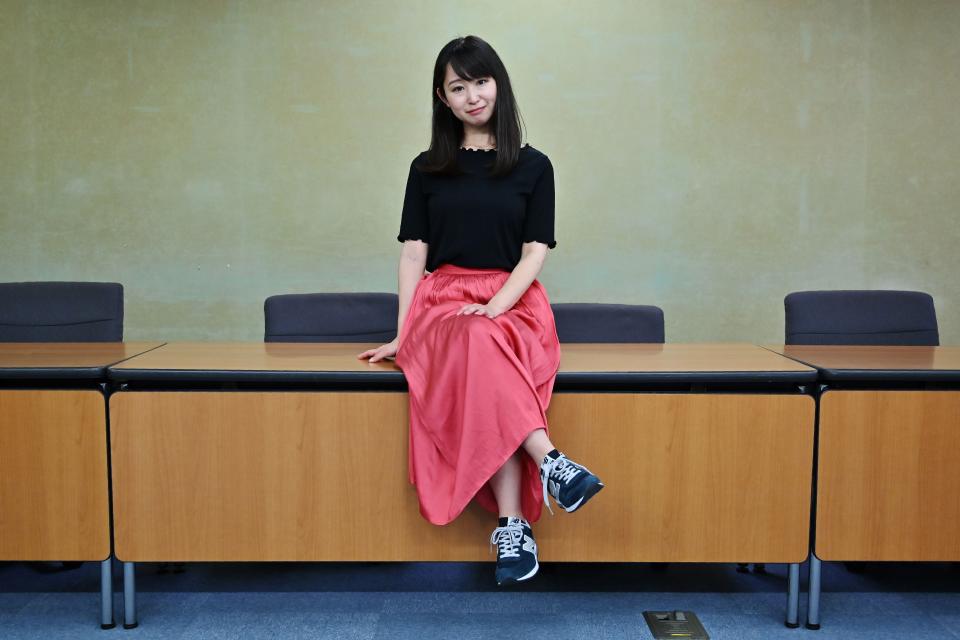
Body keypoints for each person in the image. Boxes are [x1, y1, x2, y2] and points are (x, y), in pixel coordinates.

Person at [358, 35, 603, 586]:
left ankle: (514, 524)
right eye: (458, 87)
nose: (472, 96)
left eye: (481, 81)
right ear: (443, 99)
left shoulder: (535, 166)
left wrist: (494, 306)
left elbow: (534, 252)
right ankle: (551, 465)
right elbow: (414, 253)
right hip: (442, 303)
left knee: (484, 347)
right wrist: (402, 335)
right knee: (474, 342)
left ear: (500, 83)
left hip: (514, 301)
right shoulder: (426, 168)